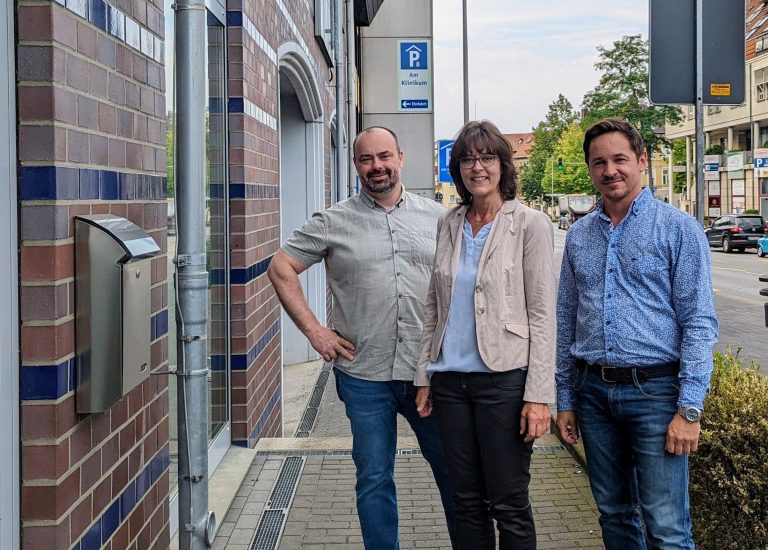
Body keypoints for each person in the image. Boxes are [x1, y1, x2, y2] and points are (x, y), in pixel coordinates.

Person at [267, 126, 455, 549]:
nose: (377, 167)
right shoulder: (333, 222)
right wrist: (315, 332)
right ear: (356, 166)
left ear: (401, 157)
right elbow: (281, 268)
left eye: (384, 156)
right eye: (367, 159)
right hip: (364, 376)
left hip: (429, 375)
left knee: (454, 473)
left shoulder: (440, 219)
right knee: (373, 479)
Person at [555, 118, 718, 550]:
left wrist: (690, 409)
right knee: (614, 516)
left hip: (658, 395)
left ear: (642, 161)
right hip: (593, 394)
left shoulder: (679, 229)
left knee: (667, 526)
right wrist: (567, 399)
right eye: (599, 162)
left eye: (620, 159)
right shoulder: (579, 235)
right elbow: (566, 318)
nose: (610, 170)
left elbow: (699, 321)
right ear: (590, 169)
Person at [414, 120, 556, 549]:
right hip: (450, 384)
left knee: (509, 502)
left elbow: (543, 314)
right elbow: (434, 306)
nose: (478, 167)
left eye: (487, 157)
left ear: (502, 165)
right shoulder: (449, 223)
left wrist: (538, 396)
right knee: (466, 501)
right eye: (468, 159)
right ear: (456, 169)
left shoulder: (529, 223)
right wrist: (424, 375)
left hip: (504, 382)